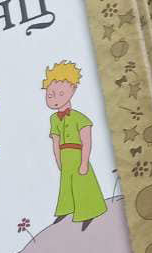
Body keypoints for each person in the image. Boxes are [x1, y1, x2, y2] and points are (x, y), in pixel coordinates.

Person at [43, 60, 108, 232]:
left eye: (60, 93)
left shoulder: (81, 118)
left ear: (73, 90)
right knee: (66, 184)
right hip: (65, 156)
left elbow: (87, 141)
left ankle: (89, 212)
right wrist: (58, 160)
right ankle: (66, 208)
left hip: (78, 155)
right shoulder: (53, 119)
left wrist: (84, 162)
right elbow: (55, 141)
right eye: (50, 95)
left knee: (82, 182)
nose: (55, 99)